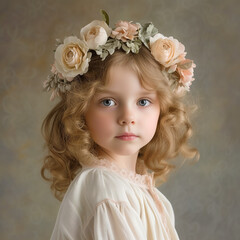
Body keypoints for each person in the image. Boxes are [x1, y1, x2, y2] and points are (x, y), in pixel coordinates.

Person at [41, 10, 199, 240]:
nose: (127, 117)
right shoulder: (106, 189)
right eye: (108, 102)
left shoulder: (133, 189)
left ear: (162, 110)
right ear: (80, 109)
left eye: (143, 102)